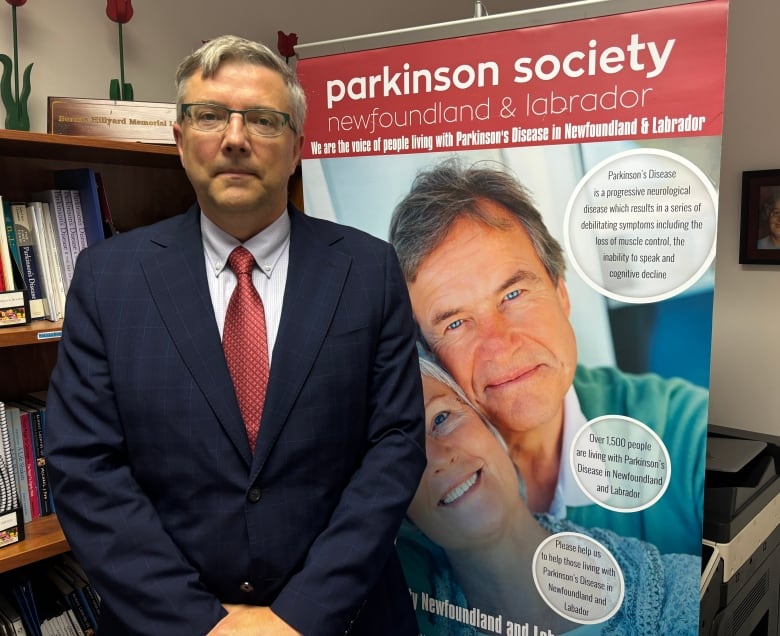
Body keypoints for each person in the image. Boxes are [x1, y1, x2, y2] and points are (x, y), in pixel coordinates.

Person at [45, 35, 426, 636]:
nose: (235, 138)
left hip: (343, 619)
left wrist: (298, 618)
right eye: (210, 115)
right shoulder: (107, 277)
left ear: (297, 146)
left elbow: (396, 446)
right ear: (179, 138)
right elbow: (84, 465)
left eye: (265, 121)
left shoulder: (369, 270)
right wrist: (204, 625)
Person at [389, 158, 707, 556]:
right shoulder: (415, 498)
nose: (500, 344)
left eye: (513, 295)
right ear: (427, 353)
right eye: (456, 323)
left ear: (562, 293)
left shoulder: (685, 431)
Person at [398, 356, 699, 635]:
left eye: (440, 418)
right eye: (398, 454)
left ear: (488, 425)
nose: (437, 459)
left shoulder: (683, 598)